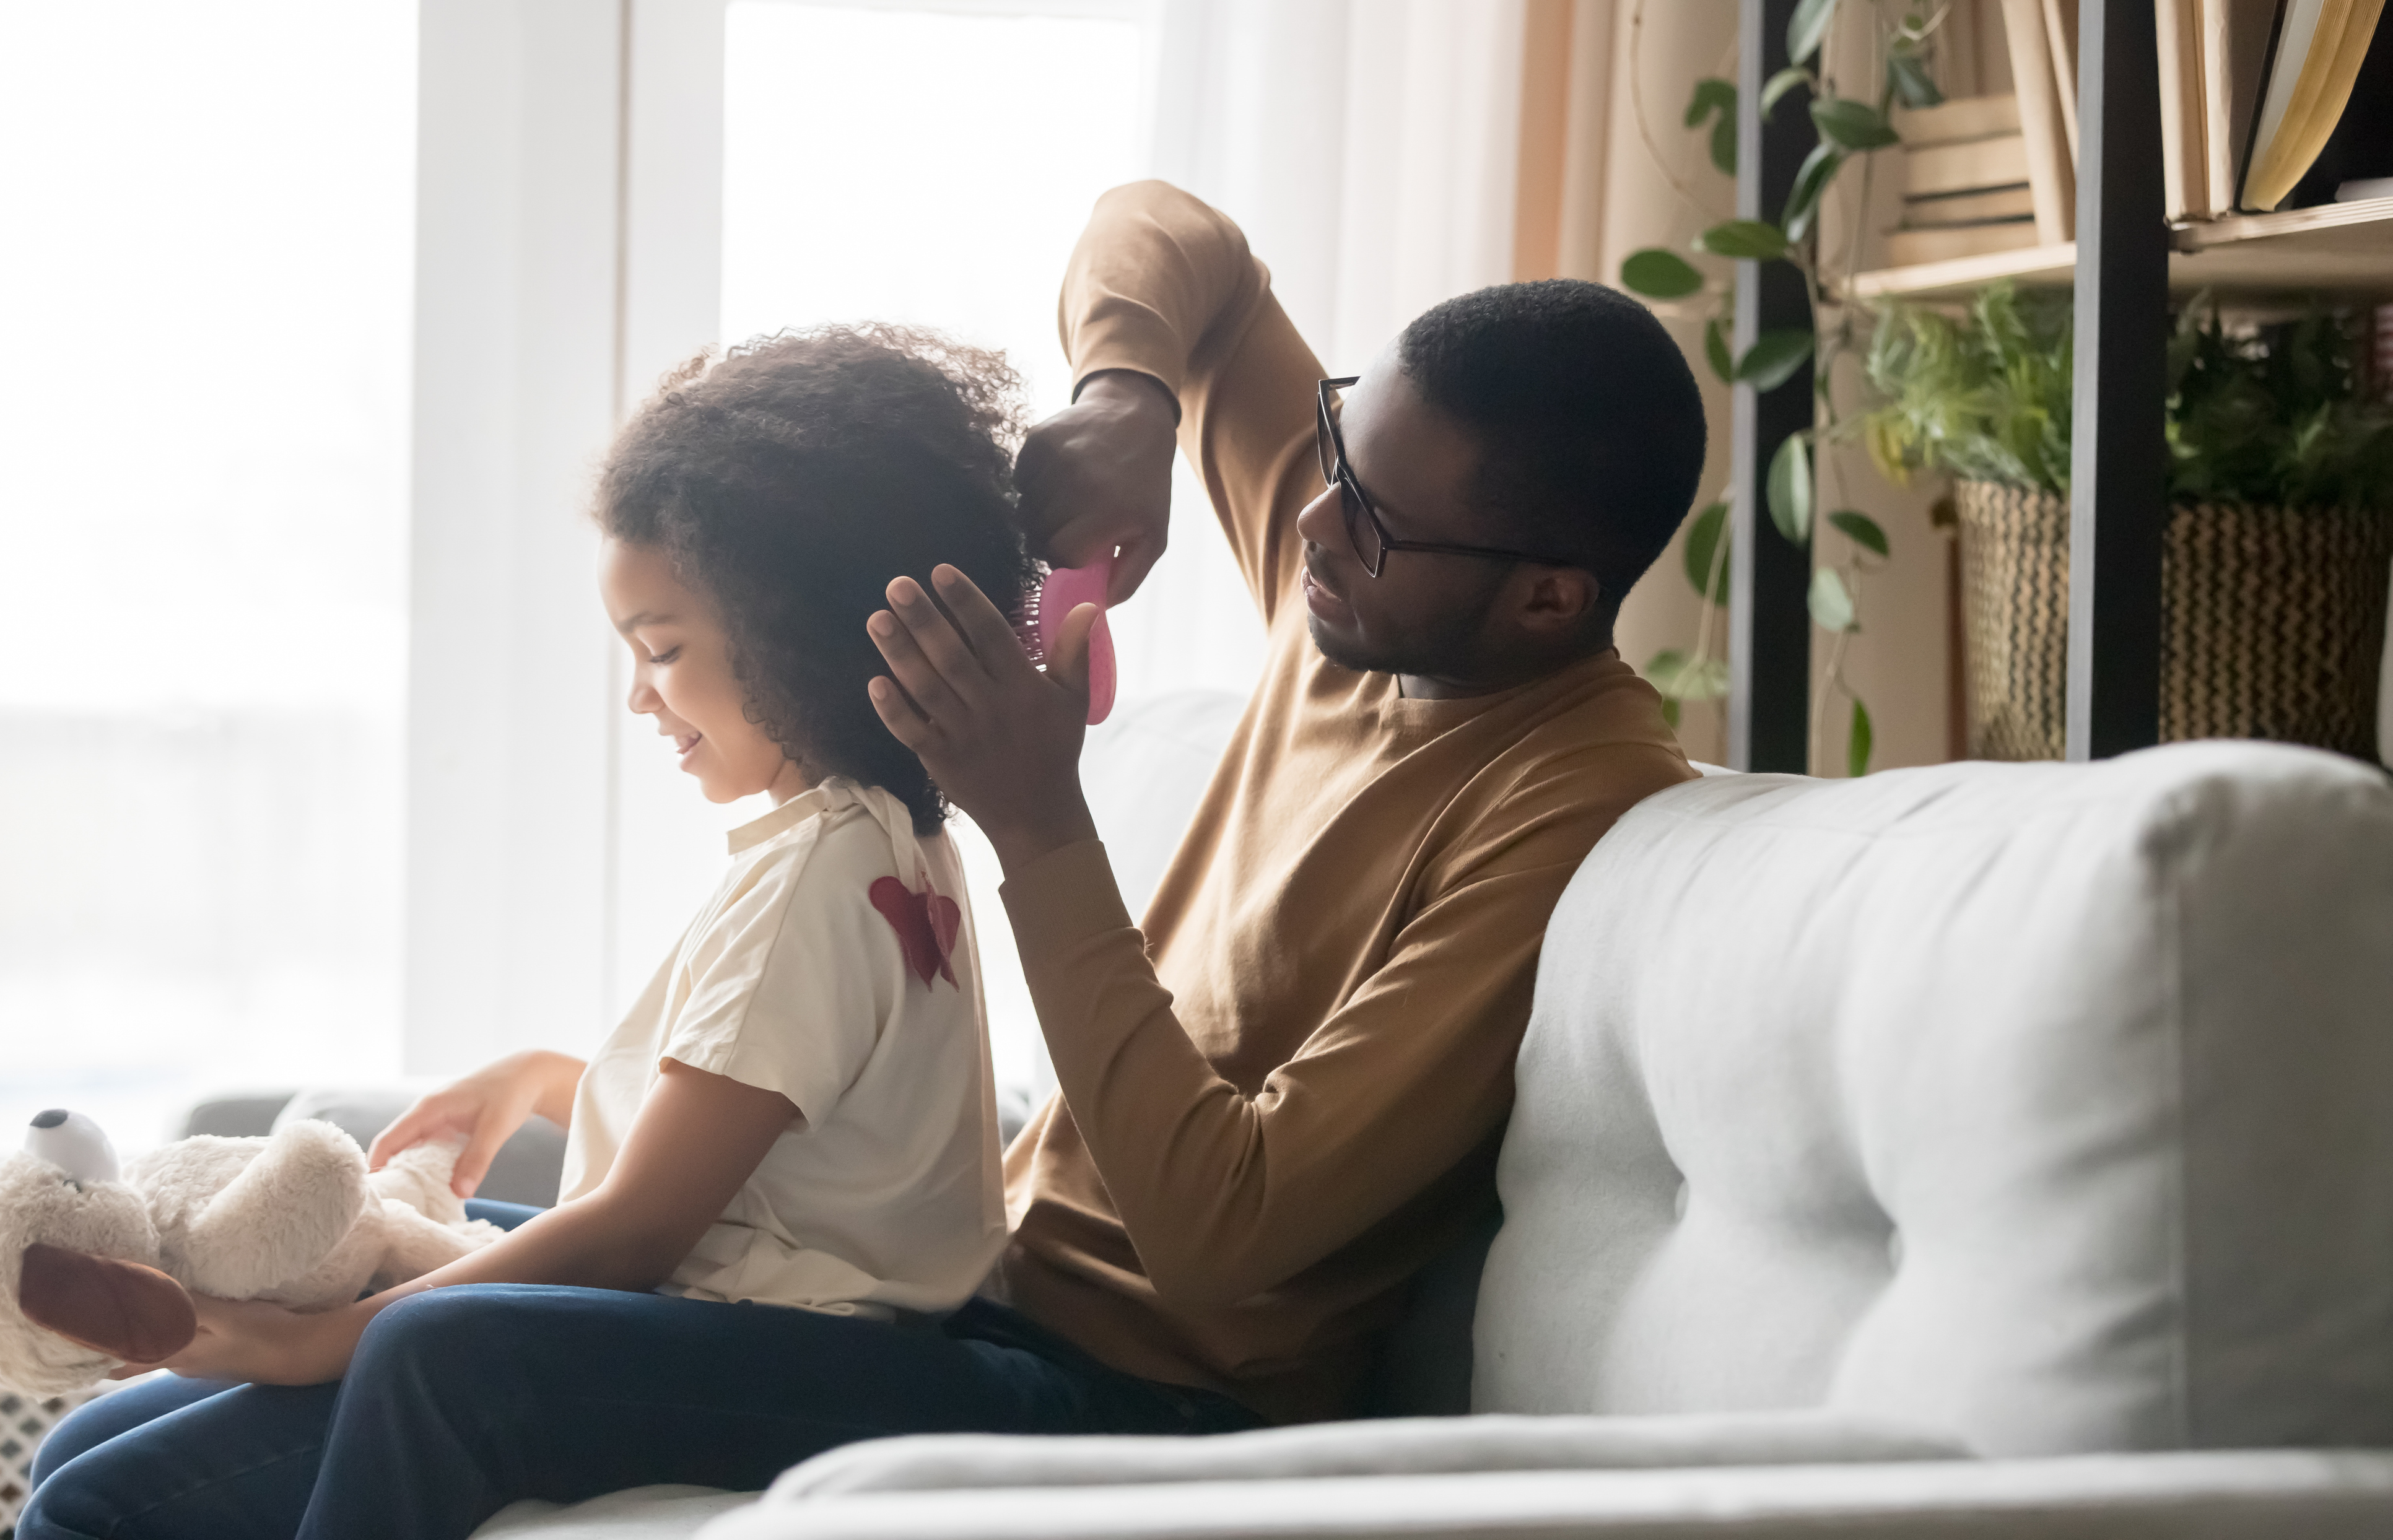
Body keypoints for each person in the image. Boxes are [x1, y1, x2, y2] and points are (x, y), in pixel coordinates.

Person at [22, 327, 1252, 1540]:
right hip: (783, 1314)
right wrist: (546, 1082)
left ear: (800, 641)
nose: (639, 695)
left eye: (662, 652)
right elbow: (778, 1126)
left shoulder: (824, 873)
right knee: (90, 1449)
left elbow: (639, 1226)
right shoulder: (885, 838)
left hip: (802, 1353)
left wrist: (309, 1345)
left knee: (344, 1380)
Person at [864, 180, 1707, 1424]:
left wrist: (1039, 825)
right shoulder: (1367, 594)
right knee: (492, 1250)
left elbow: (1226, 1227)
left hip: (1142, 1397)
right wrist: (1129, 400)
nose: (1313, 517)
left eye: (1368, 514)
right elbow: (1167, 231)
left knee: (478, 1363)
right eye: (1340, 445)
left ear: (1548, 600)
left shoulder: (1571, 802)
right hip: (983, 1288)